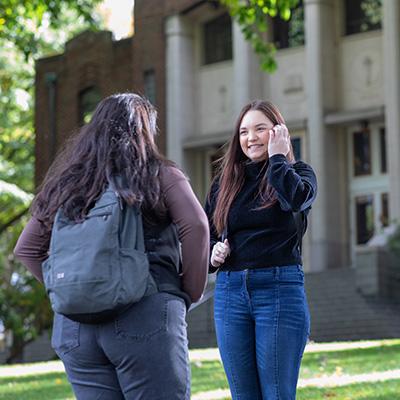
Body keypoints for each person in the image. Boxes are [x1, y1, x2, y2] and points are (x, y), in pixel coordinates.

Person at [14, 93, 209, 400]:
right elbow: (196, 225)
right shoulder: (157, 174)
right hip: (146, 311)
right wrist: (190, 291)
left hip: (75, 328)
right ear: (144, 130)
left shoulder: (66, 183)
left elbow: (26, 249)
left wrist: (72, 289)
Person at [205, 100, 317, 400]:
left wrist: (278, 158)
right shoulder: (223, 184)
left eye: (260, 129)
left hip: (279, 290)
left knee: (277, 394)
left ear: (278, 132)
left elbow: (295, 200)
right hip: (231, 294)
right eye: (243, 131)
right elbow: (209, 238)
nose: (250, 138)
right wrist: (213, 255)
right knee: (243, 395)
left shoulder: (299, 174)